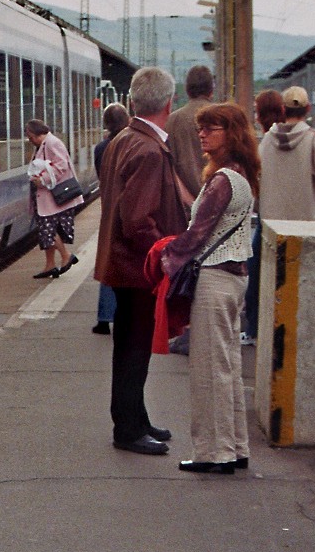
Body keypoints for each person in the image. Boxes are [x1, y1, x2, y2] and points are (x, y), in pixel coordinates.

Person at [159, 102, 260, 475]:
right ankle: (235, 447)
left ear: (230, 133)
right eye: (201, 128)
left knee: (209, 369)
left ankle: (214, 454)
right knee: (227, 366)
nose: (201, 134)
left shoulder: (222, 181)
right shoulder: (241, 174)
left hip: (215, 280)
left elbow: (197, 234)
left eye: (210, 128)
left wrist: (165, 259)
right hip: (234, 278)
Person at [95, 67, 192, 455]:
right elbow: (137, 220)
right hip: (139, 269)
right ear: (169, 103)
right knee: (134, 349)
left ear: (134, 101)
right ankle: (129, 429)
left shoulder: (123, 139)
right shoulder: (149, 150)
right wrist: (167, 257)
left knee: (127, 347)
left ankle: (135, 416)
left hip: (122, 264)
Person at [242, 89, 287, 345]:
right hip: (293, 215)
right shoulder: (300, 135)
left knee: (256, 272)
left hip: (267, 215)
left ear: (259, 115)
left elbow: (257, 181)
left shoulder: (265, 143)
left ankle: (253, 329)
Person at [258, 86, 315, 222]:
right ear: (308, 108)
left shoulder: (267, 140)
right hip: (308, 224)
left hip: (272, 223)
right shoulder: (313, 138)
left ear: (283, 109)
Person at [25, 119, 85, 279]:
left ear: (38, 133)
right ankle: (50, 265)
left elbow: (61, 165)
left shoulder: (52, 143)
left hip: (52, 197)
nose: (30, 140)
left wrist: (42, 179)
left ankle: (66, 256)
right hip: (45, 198)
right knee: (46, 230)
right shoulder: (43, 144)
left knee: (48, 230)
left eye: (31, 137)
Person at [91, 102, 131, 334]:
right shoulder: (132, 144)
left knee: (109, 263)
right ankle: (127, 314)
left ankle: (104, 318)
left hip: (108, 209)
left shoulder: (101, 148)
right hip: (128, 209)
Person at [166, 65, 216, 195]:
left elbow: (168, 168)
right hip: (218, 197)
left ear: (187, 90)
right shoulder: (223, 117)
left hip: (183, 201)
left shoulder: (172, 121)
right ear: (211, 90)